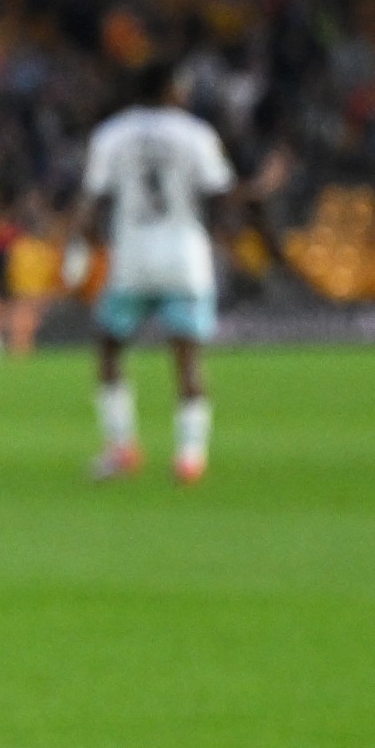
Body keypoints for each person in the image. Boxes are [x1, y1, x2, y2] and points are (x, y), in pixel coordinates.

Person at [79, 60, 240, 483]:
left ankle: (121, 447)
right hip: (185, 257)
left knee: (109, 348)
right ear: (172, 90)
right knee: (187, 358)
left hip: (132, 259)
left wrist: (80, 252)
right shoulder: (196, 134)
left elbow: (94, 204)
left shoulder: (111, 135)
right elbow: (220, 196)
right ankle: (190, 457)